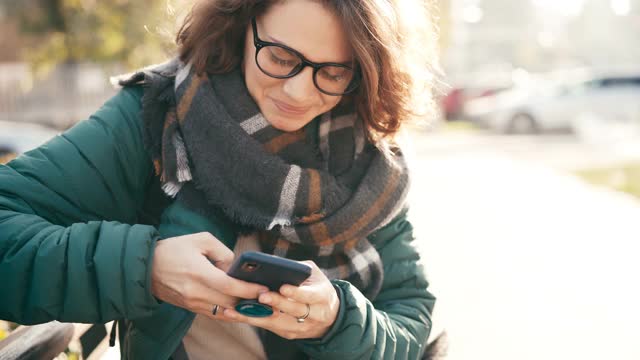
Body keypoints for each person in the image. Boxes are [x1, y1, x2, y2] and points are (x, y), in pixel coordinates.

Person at [0, 0, 440, 359]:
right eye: (281, 58)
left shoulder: (370, 153)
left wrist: (337, 320)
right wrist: (145, 267)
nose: (299, 93)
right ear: (241, 24)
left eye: (333, 72)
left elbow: (410, 315)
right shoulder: (154, 116)